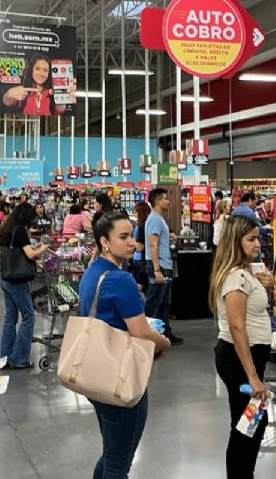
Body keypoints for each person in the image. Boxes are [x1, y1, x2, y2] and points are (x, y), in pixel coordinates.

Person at [80, 213, 170, 479]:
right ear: (104, 242)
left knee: (112, 452)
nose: (132, 242)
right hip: (121, 377)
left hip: (97, 373)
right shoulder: (121, 280)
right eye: (124, 237)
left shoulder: (93, 270)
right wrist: (163, 342)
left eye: (132, 235)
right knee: (119, 461)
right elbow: (141, 332)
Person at [210, 215, 274, 479]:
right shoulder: (236, 277)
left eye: (257, 238)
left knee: (249, 422)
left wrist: (267, 288)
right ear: (235, 242)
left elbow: (255, 313)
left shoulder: (245, 271)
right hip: (239, 361)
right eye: (250, 239)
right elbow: (237, 327)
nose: (256, 244)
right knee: (248, 424)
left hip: (245, 359)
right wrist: (252, 376)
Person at [0, 202, 50, 369]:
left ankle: (6, 357)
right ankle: (20, 359)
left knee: (10, 319)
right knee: (28, 317)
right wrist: (44, 248)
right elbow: (30, 254)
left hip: (6, 278)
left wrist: (34, 247)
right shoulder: (20, 230)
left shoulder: (6, 229)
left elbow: (20, 250)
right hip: (18, 281)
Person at [145, 188, 182, 345]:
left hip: (164, 266)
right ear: (158, 201)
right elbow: (153, 244)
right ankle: (143, 333)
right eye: (166, 199)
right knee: (154, 303)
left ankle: (165, 332)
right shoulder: (155, 219)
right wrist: (156, 269)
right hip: (159, 267)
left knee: (164, 304)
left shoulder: (159, 219)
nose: (168, 201)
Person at [1, 53, 74, 116]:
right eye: (38, 68)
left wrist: (61, 97)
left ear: (49, 74)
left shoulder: (51, 93)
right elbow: (6, 102)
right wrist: (9, 94)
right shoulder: (23, 90)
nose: (41, 74)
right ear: (31, 70)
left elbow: (60, 110)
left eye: (45, 70)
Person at [131, 201, 151, 291]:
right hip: (150, 261)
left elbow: (139, 247)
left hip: (142, 260)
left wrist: (133, 241)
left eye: (135, 212)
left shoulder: (141, 227)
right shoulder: (151, 224)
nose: (134, 214)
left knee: (140, 287)